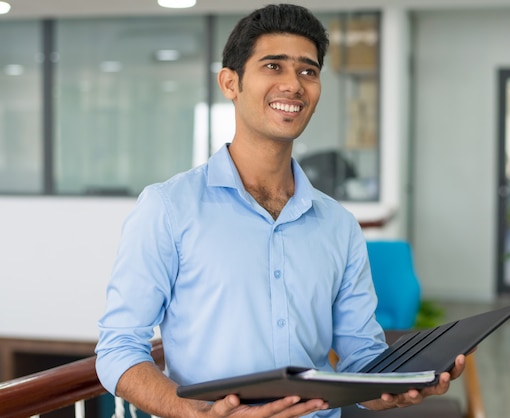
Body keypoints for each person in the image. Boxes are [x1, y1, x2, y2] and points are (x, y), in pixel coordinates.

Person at [95, 4, 467, 418]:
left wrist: (391, 387)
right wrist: (193, 413)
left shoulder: (338, 225)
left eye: (308, 71)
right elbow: (117, 348)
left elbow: (360, 355)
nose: (293, 85)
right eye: (274, 66)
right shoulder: (168, 208)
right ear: (230, 82)